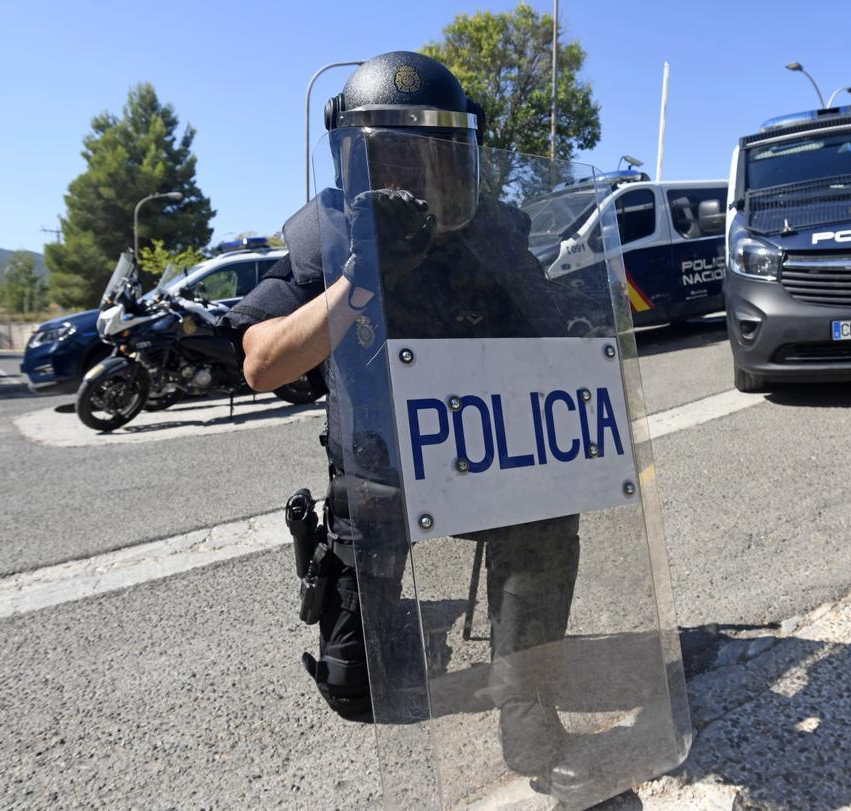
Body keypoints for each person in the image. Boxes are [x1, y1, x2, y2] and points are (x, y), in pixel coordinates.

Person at [219, 51, 601, 795]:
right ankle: (404, 619)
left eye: (433, 156)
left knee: (550, 512)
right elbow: (261, 362)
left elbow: (555, 339)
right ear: (353, 163)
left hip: (478, 461)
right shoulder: (328, 235)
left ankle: (528, 703)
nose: (413, 177)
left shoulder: (492, 233)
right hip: (379, 476)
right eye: (390, 158)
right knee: (357, 693)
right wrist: (360, 278)